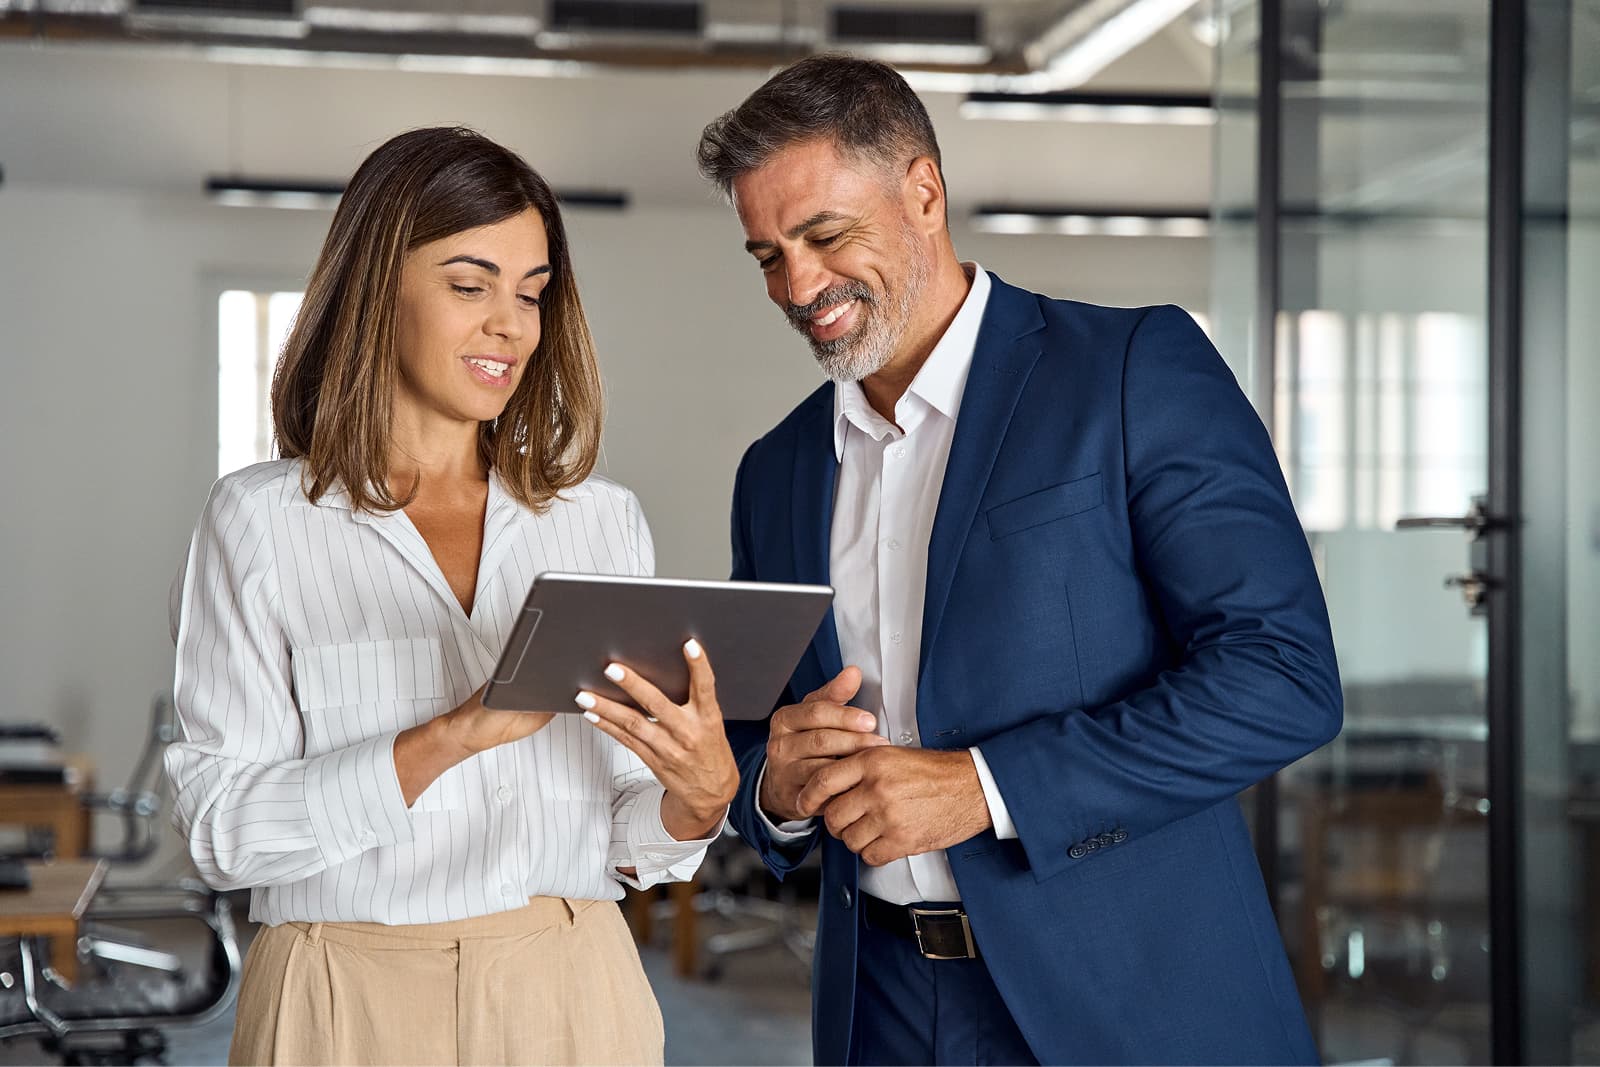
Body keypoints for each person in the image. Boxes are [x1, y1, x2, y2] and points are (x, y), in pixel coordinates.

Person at [697, 55, 1343, 1065]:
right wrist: (773, 788)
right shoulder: (773, 470)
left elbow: (1282, 677)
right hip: (880, 1008)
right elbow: (745, 740)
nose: (797, 284)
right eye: (766, 254)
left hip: (1131, 999)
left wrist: (987, 786)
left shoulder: (1131, 371)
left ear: (922, 191)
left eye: (824, 234)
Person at [166, 126, 738, 1066]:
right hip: (342, 997)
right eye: (469, 285)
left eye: (532, 292)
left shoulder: (600, 523)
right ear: (374, 291)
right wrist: (449, 738)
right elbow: (225, 834)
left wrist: (695, 801)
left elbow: (625, 830)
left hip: (573, 987)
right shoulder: (261, 522)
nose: (510, 325)